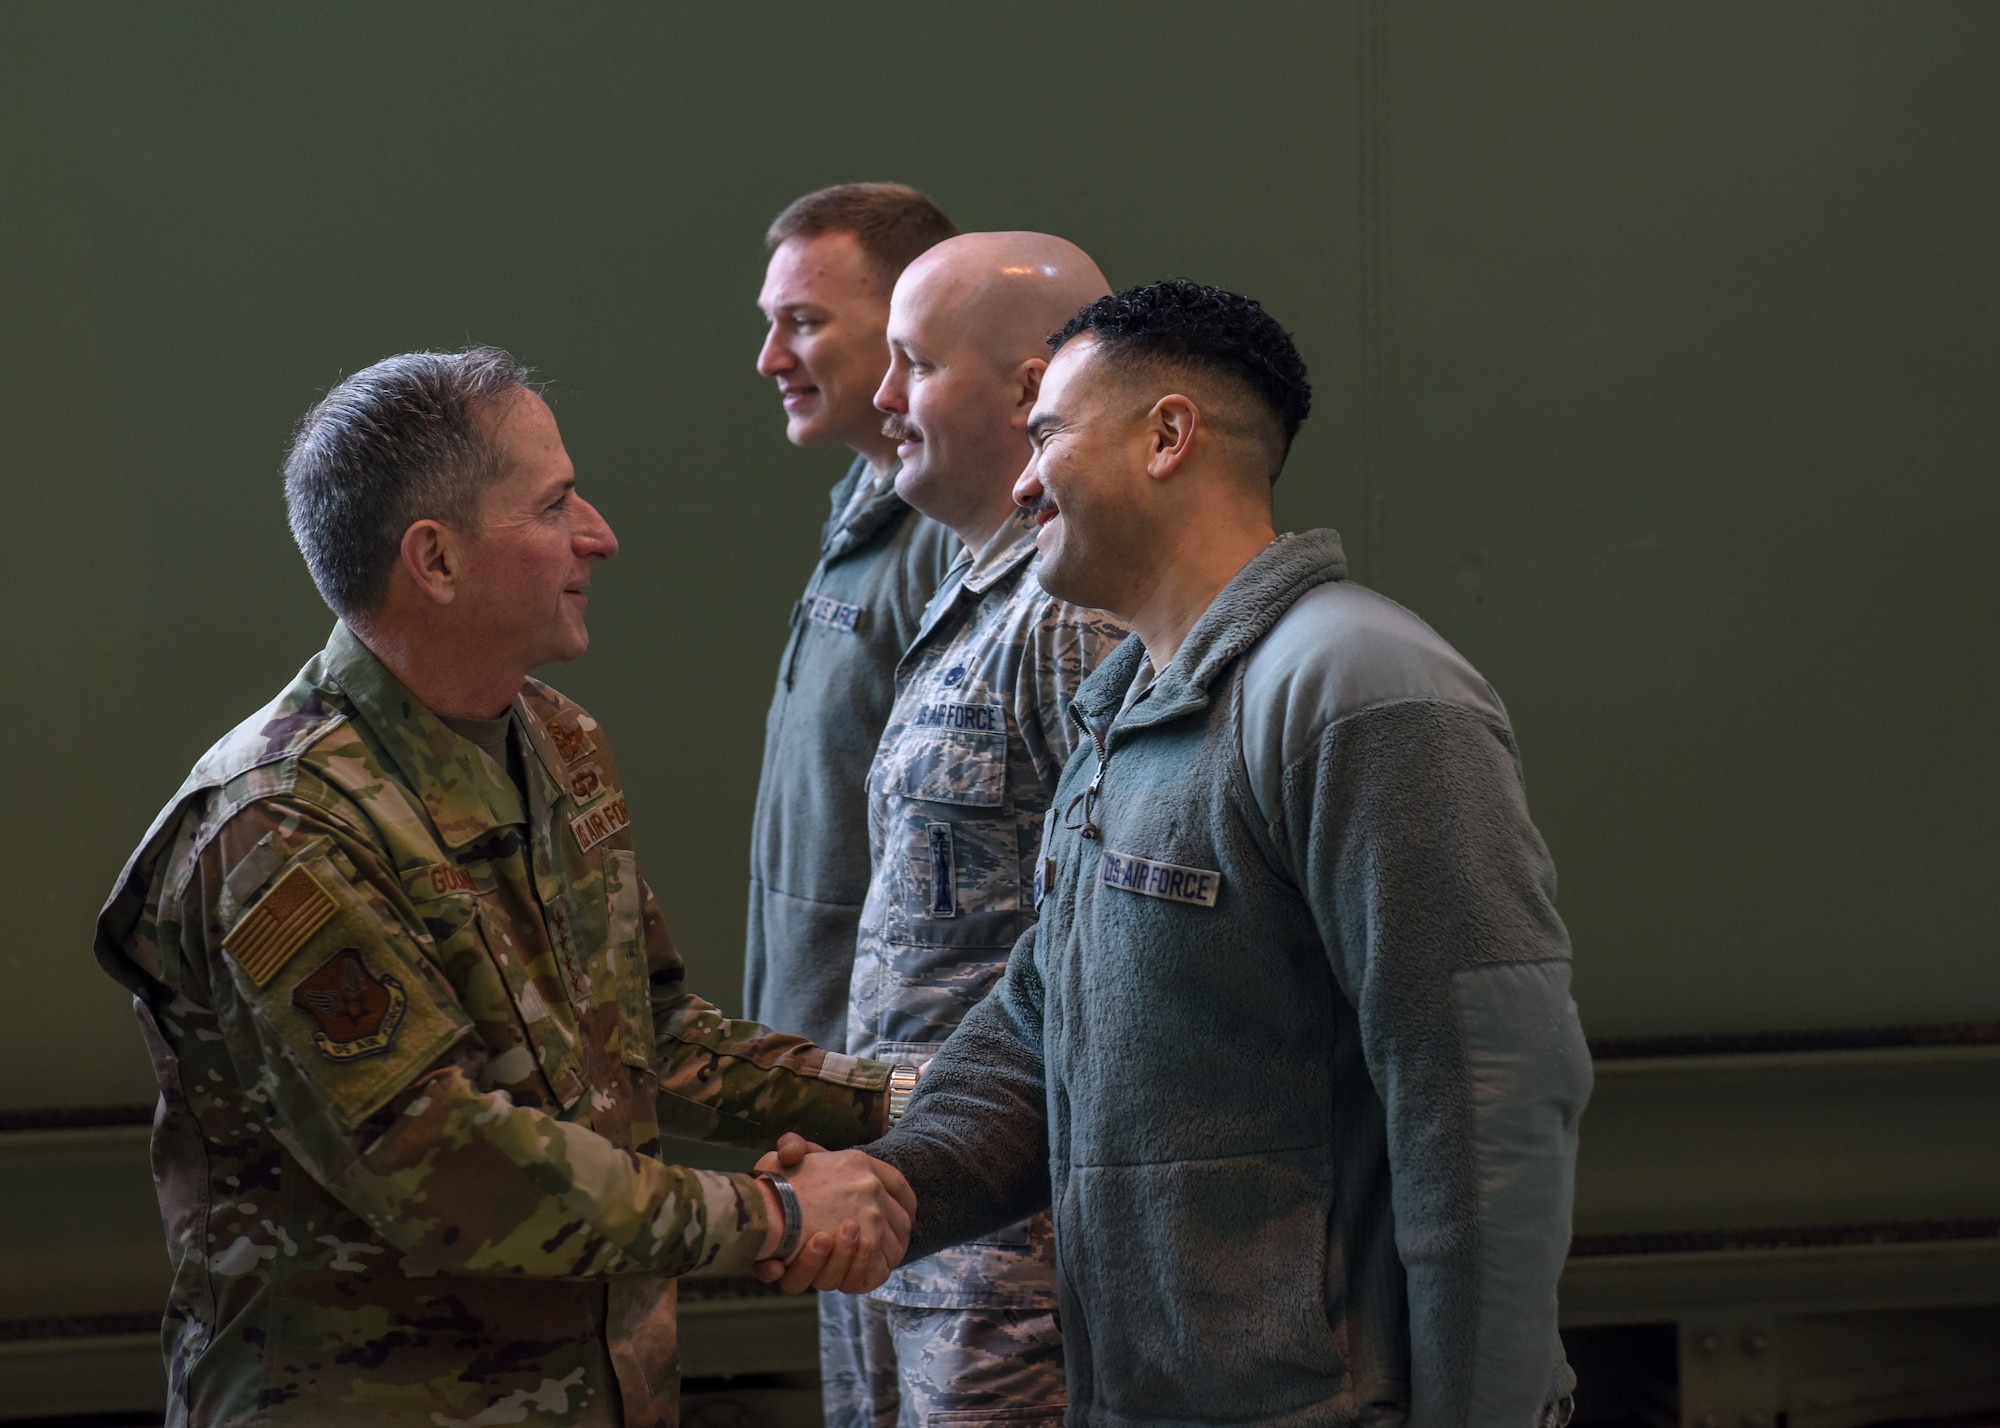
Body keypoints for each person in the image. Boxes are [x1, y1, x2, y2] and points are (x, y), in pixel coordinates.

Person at [795, 280, 1593, 1427]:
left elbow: (1486, 1108)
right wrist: (892, 1184)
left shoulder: (1359, 691)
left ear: (1166, 435)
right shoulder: (1129, 713)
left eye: (1045, 438)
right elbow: (1036, 1020)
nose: (1021, 485)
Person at [94, 348, 917, 1428]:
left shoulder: (554, 740)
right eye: (555, 504)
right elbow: (444, 1167)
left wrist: (910, 1102)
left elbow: (651, 1035)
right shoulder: (278, 824)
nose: (600, 536)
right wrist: (771, 1213)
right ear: (433, 559)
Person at [815, 233, 1128, 1428]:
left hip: (1012, 1256)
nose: (883, 400)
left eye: (912, 364)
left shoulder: (1072, 618)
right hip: (914, 1217)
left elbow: (1106, 959)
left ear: (1031, 386)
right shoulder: (971, 582)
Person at [747, 182, 963, 1052]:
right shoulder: (866, 497)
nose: (769, 357)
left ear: (911, 321)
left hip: (887, 1071)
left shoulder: (961, 529)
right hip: (817, 1050)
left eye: (803, 321)